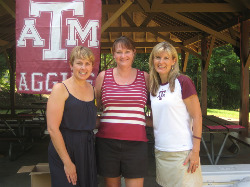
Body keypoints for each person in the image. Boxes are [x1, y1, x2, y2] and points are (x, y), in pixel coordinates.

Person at [95, 36, 149, 187]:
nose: (123, 56)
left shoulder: (145, 77)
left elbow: (157, 107)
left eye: (127, 51)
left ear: (134, 53)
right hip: (107, 143)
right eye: (119, 52)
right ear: (113, 54)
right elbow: (96, 106)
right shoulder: (103, 77)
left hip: (136, 143)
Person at [148, 42, 203, 187]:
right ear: (152, 60)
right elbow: (157, 120)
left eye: (166, 58)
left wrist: (195, 151)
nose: (161, 62)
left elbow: (197, 116)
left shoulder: (183, 82)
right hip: (161, 151)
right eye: (158, 57)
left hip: (182, 152)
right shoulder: (154, 86)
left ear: (173, 61)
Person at [47, 46, 98, 187]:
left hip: (87, 149)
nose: (83, 67)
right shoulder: (60, 89)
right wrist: (67, 162)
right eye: (79, 63)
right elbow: (52, 128)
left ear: (92, 66)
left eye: (87, 63)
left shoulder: (94, 90)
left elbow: (90, 119)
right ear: (71, 65)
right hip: (65, 147)